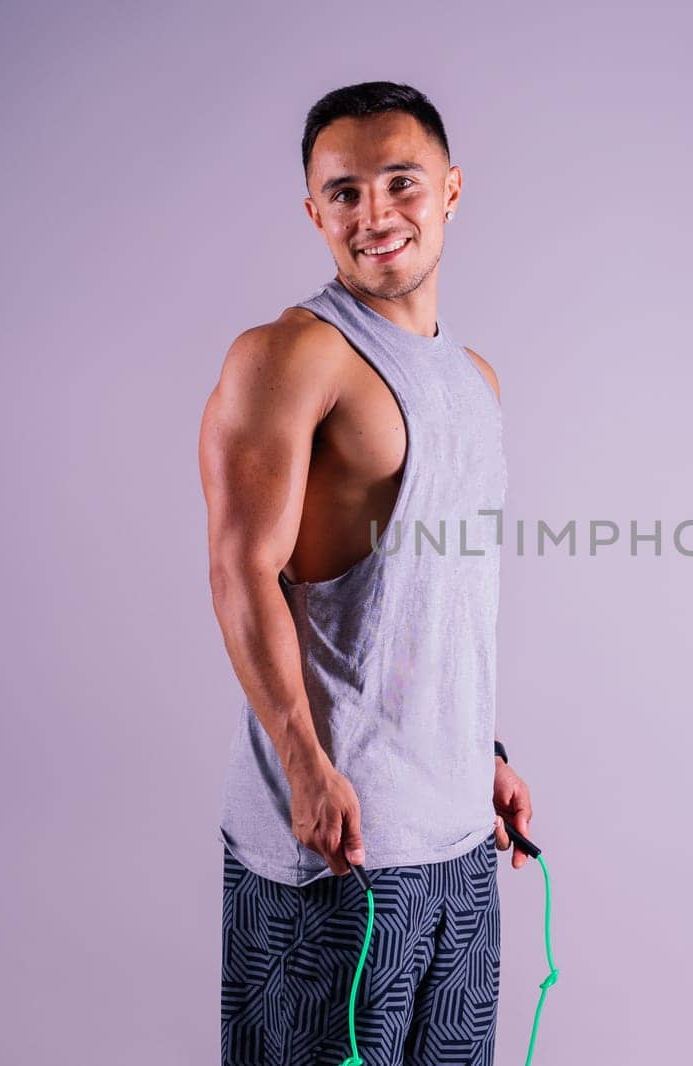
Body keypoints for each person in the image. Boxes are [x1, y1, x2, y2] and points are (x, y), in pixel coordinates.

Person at [198, 81, 535, 1066]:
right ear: (314, 212)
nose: (375, 213)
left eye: (401, 183)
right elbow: (239, 567)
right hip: (336, 841)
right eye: (344, 193)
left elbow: (440, 594)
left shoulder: (473, 382)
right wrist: (304, 763)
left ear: (452, 190)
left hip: (457, 840)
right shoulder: (290, 355)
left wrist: (485, 752)